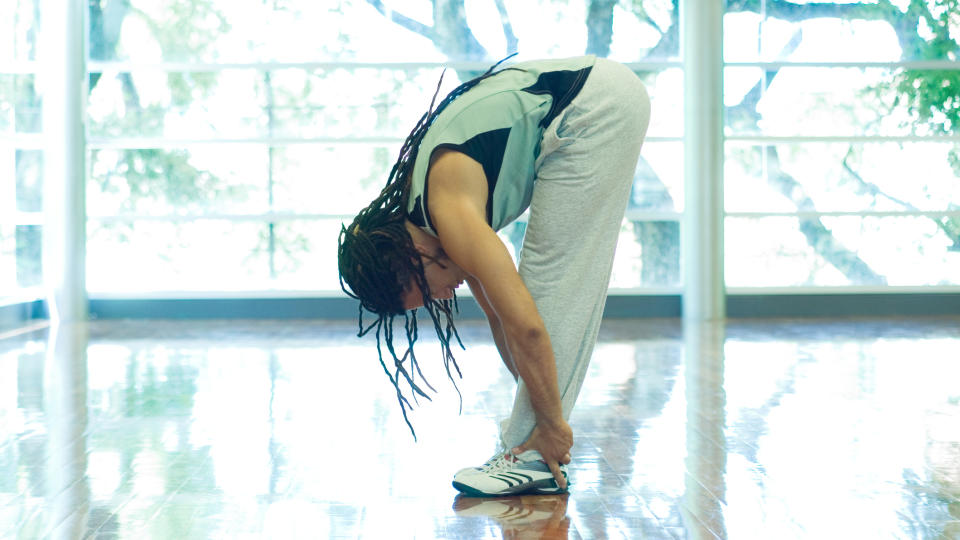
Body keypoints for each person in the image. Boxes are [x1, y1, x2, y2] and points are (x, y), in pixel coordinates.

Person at [337, 54, 650, 497]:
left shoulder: (450, 214)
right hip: (594, 98)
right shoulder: (431, 219)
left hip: (594, 106)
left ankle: (533, 456)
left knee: (549, 285)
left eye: (426, 293)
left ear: (412, 256)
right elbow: (502, 323)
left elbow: (528, 328)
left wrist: (552, 423)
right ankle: (530, 446)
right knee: (532, 298)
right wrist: (539, 401)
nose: (443, 298)